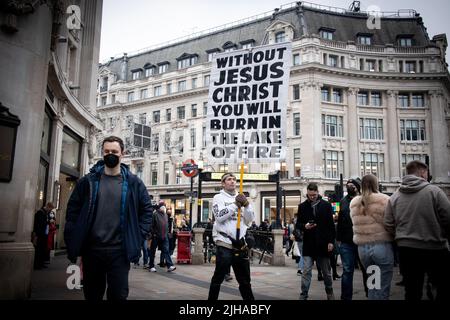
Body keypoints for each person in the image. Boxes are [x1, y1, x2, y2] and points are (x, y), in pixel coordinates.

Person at [64, 136, 153, 300]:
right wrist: (73, 235)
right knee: (92, 295)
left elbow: (146, 210)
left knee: (118, 295)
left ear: (122, 154)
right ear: (102, 153)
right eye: (106, 151)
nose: (110, 154)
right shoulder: (88, 182)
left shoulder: (134, 183)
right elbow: (73, 210)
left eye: (114, 151)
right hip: (92, 251)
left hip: (119, 251)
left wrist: (138, 234)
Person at [384, 160, 450, 301]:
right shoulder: (434, 191)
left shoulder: (395, 196)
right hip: (435, 247)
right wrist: (442, 234)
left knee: (412, 291)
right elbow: (448, 217)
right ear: (422, 172)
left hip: (407, 249)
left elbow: (388, 223)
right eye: (426, 172)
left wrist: (400, 236)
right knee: (441, 287)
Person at [208, 173, 255, 300]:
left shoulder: (241, 197)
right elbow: (219, 216)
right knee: (218, 277)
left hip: (240, 244)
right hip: (224, 243)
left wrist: (247, 205)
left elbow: (249, 220)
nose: (232, 181)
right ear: (223, 183)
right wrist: (235, 205)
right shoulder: (218, 197)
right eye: (229, 179)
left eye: (234, 179)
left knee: (245, 281)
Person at [350, 174, 394, 300]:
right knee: (382, 286)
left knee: (372, 284)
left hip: (363, 249)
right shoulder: (384, 200)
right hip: (381, 246)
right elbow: (390, 222)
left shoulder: (354, 203)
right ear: (376, 184)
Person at [297, 183, 336, 300]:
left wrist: (331, 242)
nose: (312, 197)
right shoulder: (302, 206)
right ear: (307, 193)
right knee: (306, 271)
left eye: (314, 195)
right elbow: (298, 224)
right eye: (310, 195)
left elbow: (331, 225)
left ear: (318, 192)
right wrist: (305, 226)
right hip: (309, 243)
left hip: (323, 243)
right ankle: (304, 294)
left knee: (326, 272)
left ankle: (329, 292)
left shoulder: (326, 205)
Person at [336, 178, 362, 300]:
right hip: (347, 241)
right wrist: (338, 239)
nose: (349, 186)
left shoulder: (364, 199)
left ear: (358, 187)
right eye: (348, 185)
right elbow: (340, 220)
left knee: (369, 270)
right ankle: (346, 298)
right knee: (347, 270)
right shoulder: (343, 201)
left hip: (363, 240)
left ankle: (372, 294)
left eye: (352, 185)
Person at [149, 202, 176, 272]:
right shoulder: (155, 214)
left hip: (164, 236)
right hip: (156, 236)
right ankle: (151, 266)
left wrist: (167, 234)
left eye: (164, 206)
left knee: (166, 251)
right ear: (159, 207)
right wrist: (153, 234)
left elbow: (166, 225)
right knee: (153, 251)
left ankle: (170, 265)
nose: (164, 207)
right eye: (162, 206)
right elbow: (151, 225)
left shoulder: (165, 215)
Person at [33, 202, 54, 269]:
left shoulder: (45, 213)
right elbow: (39, 224)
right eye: (50, 209)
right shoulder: (40, 212)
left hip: (44, 234)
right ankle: (37, 264)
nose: (50, 211)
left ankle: (41, 263)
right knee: (39, 250)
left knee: (42, 249)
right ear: (48, 206)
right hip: (40, 234)